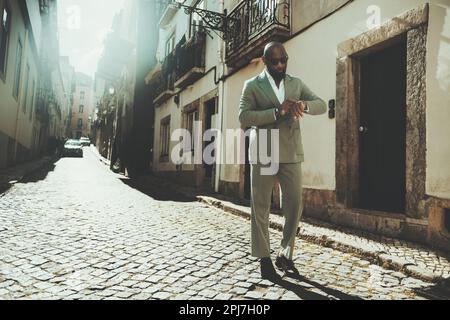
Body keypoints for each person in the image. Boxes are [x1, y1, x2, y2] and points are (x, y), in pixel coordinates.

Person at [239, 42, 327, 280]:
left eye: (283, 60)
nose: (280, 65)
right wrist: (277, 113)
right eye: (274, 61)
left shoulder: (295, 83)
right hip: (264, 148)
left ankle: (285, 253)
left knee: (294, 204)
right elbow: (244, 116)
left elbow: (321, 104)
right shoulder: (252, 85)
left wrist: (303, 105)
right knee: (261, 206)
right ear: (265, 61)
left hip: (290, 149)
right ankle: (264, 257)